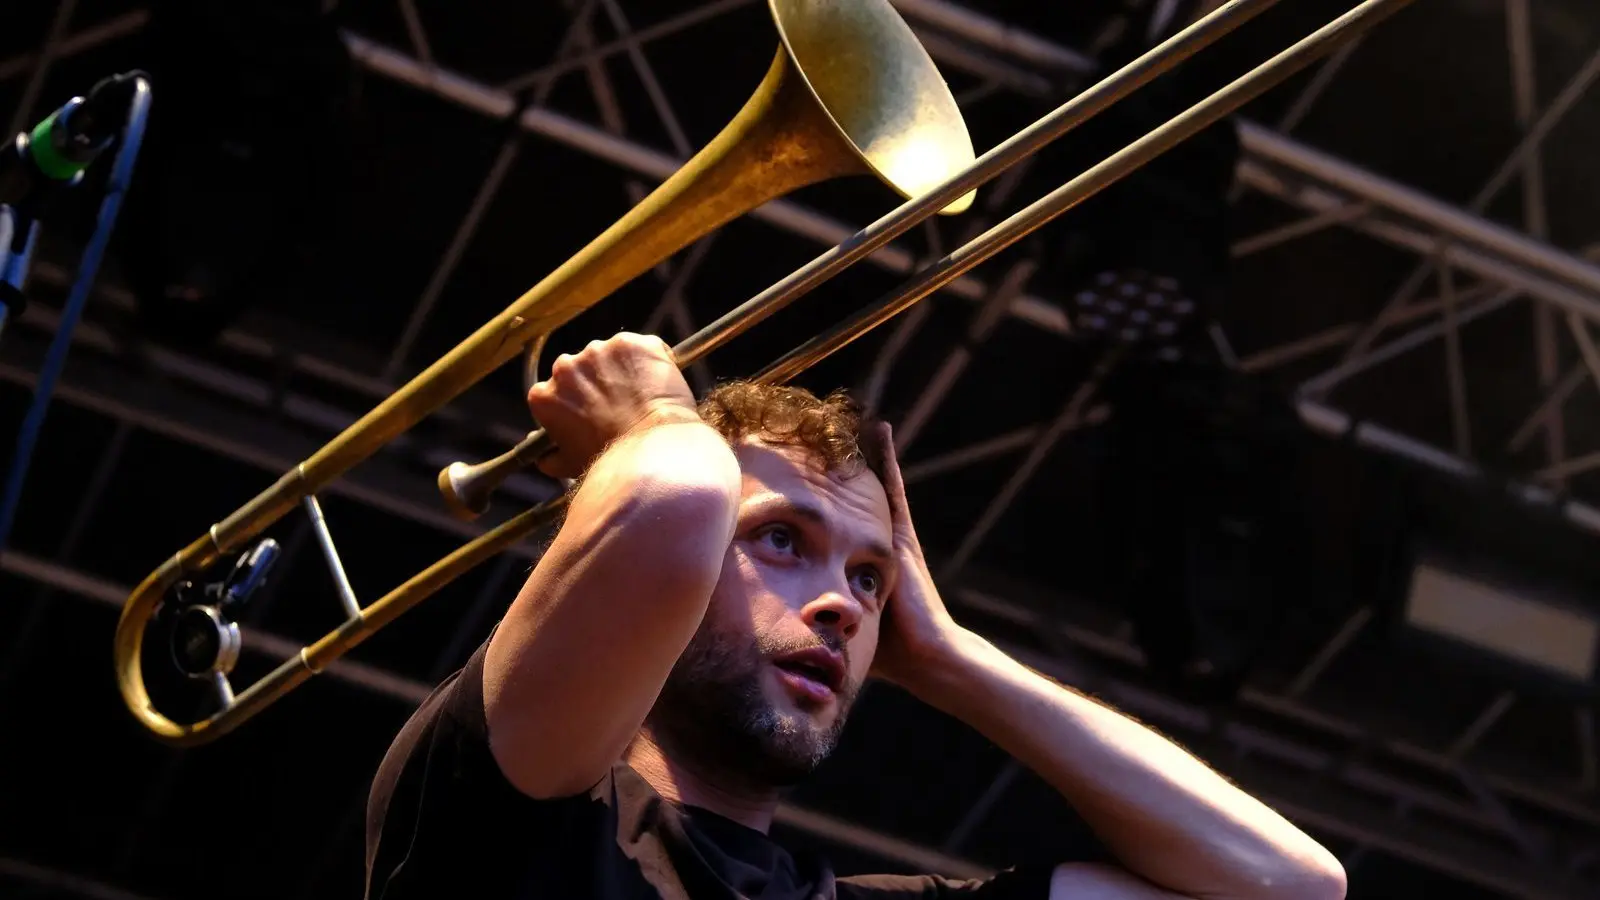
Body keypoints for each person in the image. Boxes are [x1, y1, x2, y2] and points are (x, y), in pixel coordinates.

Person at [363, 332, 1347, 900]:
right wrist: (654, 424)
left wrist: (949, 656)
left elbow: (1293, 888)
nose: (843, 603)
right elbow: (671, 502)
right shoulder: (512, 798)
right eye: (781, 539)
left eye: (872, 578)